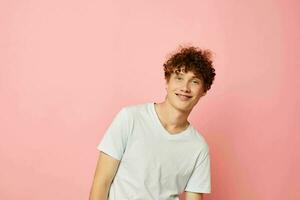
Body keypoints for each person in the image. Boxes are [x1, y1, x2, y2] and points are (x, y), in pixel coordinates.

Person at [89, 45, 216, 200]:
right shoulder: (130, 118)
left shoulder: (199, 147)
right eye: (179, 78)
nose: (185, 87)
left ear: (204, 90)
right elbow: (101, 184)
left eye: (194, 81)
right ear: (167, 82)